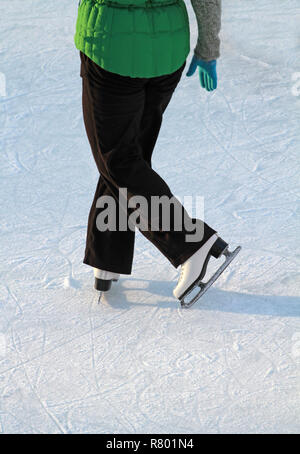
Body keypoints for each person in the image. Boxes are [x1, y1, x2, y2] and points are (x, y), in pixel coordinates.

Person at [74, 0, 240, 305]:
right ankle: (107, 256)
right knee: (131, 159)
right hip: (167, 51)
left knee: (118, 161)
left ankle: (191, 242)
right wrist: (207, 46)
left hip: (112, 49)